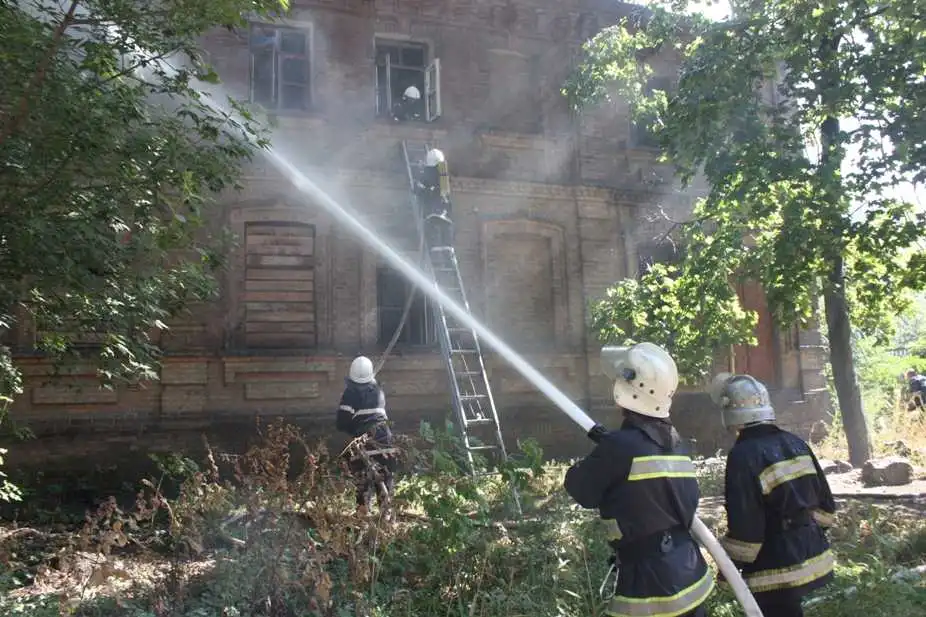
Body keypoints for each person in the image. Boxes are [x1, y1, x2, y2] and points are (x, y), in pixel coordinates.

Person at [564, 342, 715, 617]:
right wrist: (612, 446)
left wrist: (606, 451)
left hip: (650, 583)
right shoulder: (678, 445)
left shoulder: (619, 448)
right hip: (689, 571)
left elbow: (580, 489)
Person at [710, 372, 837, 617]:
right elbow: (826, 507)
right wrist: (805, 536)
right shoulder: (795, 442)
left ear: (729, 412)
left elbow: (747, 527)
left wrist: (727, 571)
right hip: (812, 553)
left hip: (774, 566)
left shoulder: (743, 454)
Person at [336, 355, 397, 517]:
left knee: (362, 474)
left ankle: (363, 510)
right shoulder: (378, 391)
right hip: (385, 438)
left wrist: (350, 428)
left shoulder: (350, 394)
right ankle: (386, 512)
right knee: (385, 473)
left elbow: (342, 421)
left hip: (364, 438)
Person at [415, 148, 454, 249]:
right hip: (444, 211)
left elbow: (417, 189)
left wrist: (426, 191)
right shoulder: (443, 173)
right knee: (444, 229)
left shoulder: (428, 173)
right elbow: (446, 192)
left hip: (432, 210)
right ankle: (447, 247)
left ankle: (436, 246)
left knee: (433, 228)